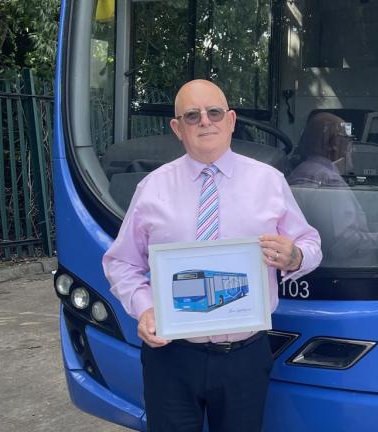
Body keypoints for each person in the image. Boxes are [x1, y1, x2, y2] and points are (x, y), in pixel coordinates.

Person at [102, 79, 321, 432]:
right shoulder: (152, 187)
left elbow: (310, 244)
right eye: (192, 115)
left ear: (231, 120)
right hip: (171, 356)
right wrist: (144, 308)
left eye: (214, 112)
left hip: (245, 357)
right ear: (177, 128)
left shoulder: (269, 181)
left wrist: (294, 256)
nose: (205, 121)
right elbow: (121, 262)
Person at [288, 112, 378, 266]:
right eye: (348, 140)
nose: (351, 147)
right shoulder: (329, 181)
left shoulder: (301, 171)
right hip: (348, 276)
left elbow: (327, 227)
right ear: (333, 144)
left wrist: (373, 228)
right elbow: (343, 245)